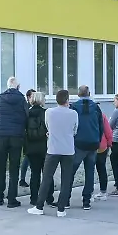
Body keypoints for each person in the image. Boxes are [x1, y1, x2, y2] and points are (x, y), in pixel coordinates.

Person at [27, 89, 77, 217]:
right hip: (68, 149)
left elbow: (48, 127)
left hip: (53, 148)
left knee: (47, 178)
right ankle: (61, 209)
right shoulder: (73, 113)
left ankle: (39, 206)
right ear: (67, 100)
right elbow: (75, 130)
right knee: (66, 179)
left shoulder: (49, 112)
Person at [0, 76, 29, 207]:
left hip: (2, 136)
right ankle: (12, 199)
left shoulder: (1, 98)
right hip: (16, 135)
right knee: (14, 168)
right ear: (18, 87)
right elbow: (26, 115)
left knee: (0, 167)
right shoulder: (21, 98)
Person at [69, 85, 104, 210]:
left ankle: (66, 199)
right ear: (89, 93)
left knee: (70, 171)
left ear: (78, 94)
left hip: (78, 143)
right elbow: (101, 126)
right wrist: (98, 140)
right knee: (89, 172)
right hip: (93, 143)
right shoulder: (96, 107)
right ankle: (86, 201)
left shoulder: (74, 107)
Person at [23, 90, 48, 206]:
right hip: (44, 146)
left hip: (31, 147)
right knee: (47, 173)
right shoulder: (46, 113)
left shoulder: (27, 113)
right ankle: (49, 197)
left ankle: (34, 198)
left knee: (34, 173)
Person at [94, 105, 114, 201]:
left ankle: (88, 193)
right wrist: (109, 144)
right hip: (102, 145)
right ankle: (103, 191)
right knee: (101, 168)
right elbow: (108, 131)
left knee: (89, 169)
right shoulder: (102, 116)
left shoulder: (85, 116)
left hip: (88, 146)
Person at [18, 88, 36, 187]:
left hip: (31, 134)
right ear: (28, 97)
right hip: (27, 135)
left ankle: (23, 178)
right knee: (27, 157)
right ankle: (22, 178)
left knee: (29, 157)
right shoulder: (27, 107)